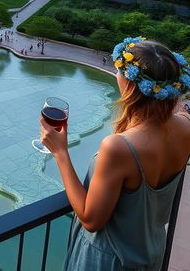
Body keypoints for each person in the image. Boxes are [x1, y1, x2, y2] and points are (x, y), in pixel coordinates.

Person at [40, 38, 190, 271]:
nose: (116, 75)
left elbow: (91, 220)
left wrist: (60, 152)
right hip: (150, 252)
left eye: (119, 71)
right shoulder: (185, 127)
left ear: (130, 85)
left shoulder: (119, 148)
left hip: (108, 260)